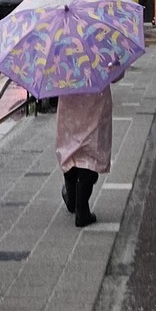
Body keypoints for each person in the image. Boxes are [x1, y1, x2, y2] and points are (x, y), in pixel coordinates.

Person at [55, 84, 116, 228]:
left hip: (69, 99)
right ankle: (82, 208)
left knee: (70, 148)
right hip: (96, 101)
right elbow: (116, 75)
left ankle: (72, 196)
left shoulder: (63, 67)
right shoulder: (100, 66)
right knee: (91, 151)